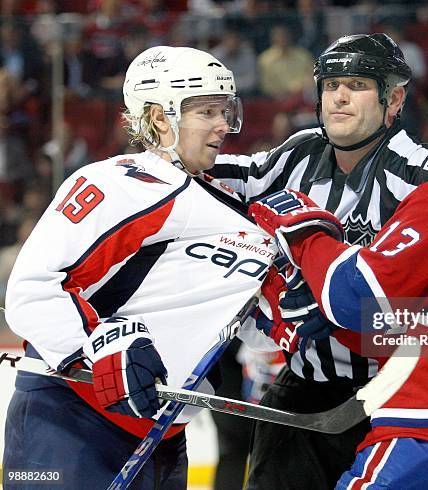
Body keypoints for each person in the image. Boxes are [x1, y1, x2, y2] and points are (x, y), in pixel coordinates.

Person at [209, 34, 428, 489]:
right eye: (332, 84)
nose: (339, 96)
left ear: (393, 98)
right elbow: (228, 179)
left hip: (385, 394)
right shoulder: (298, 153)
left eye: (358, 84)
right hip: (301, 389)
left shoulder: (422, 169)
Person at [2, 45, 276, 489]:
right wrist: (95, 348)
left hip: (165, 433)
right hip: (70, 419)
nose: (224, 125)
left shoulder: (233, 204)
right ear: (160, 117)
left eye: (225, 110)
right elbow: (30, 292)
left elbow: (215, 315)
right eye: (207, 111)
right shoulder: (117, 183)